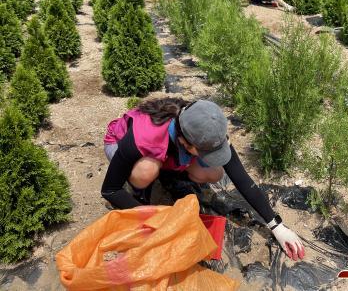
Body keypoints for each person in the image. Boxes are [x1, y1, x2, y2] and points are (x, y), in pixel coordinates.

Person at [102, 98, 306, 261]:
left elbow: (241, 178)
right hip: (122, 146)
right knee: (146, 171)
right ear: (185, 143)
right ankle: (141, 187)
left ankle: (166, 172)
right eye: (206, 152)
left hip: (168, 149)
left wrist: (277, 226)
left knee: (214, 173)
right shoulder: (145, 136)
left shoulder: (207, 127)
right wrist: (152, 217)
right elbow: (110, 190)